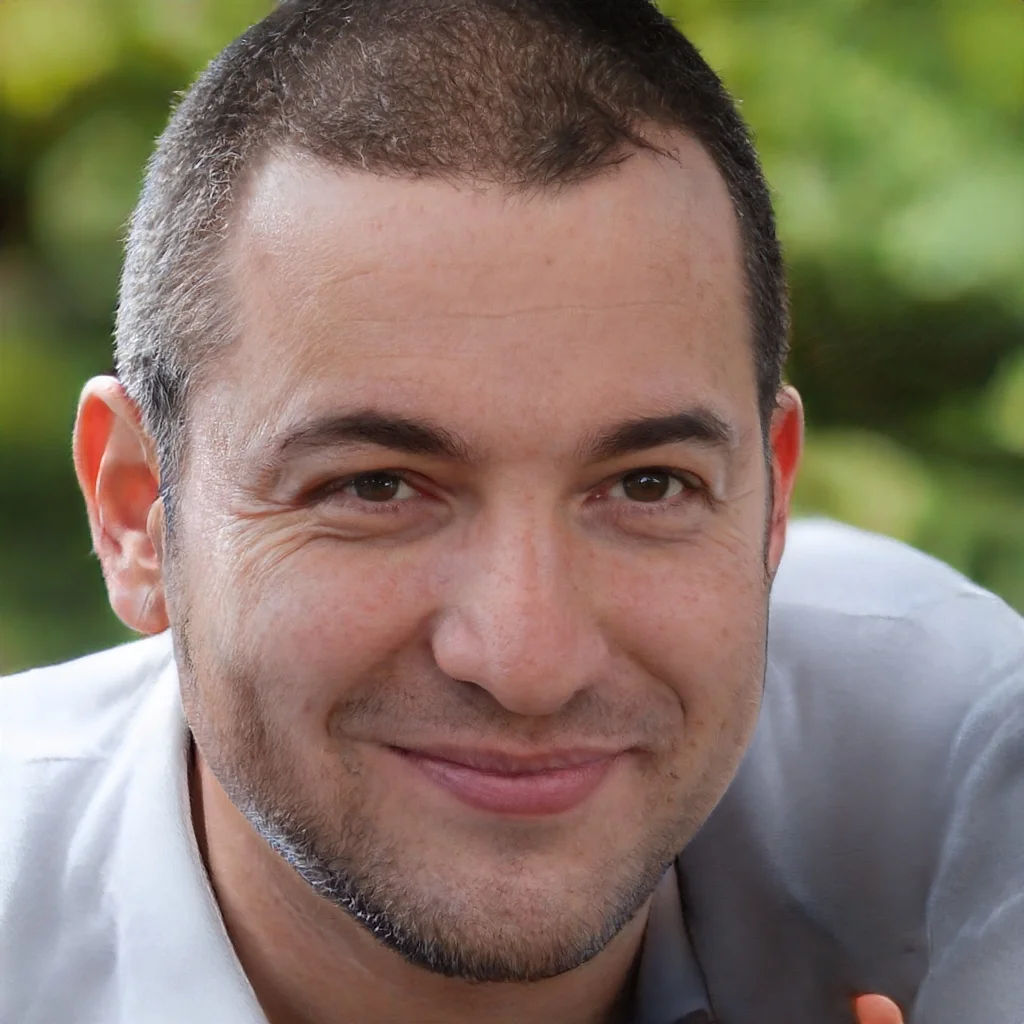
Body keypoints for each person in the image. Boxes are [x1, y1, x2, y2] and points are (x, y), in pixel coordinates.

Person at [1, 1, 1020, 1021]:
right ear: (138, 510)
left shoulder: (956, 777)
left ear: (769, 503)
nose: (528, 661)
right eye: (376, 485)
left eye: (647, 484)